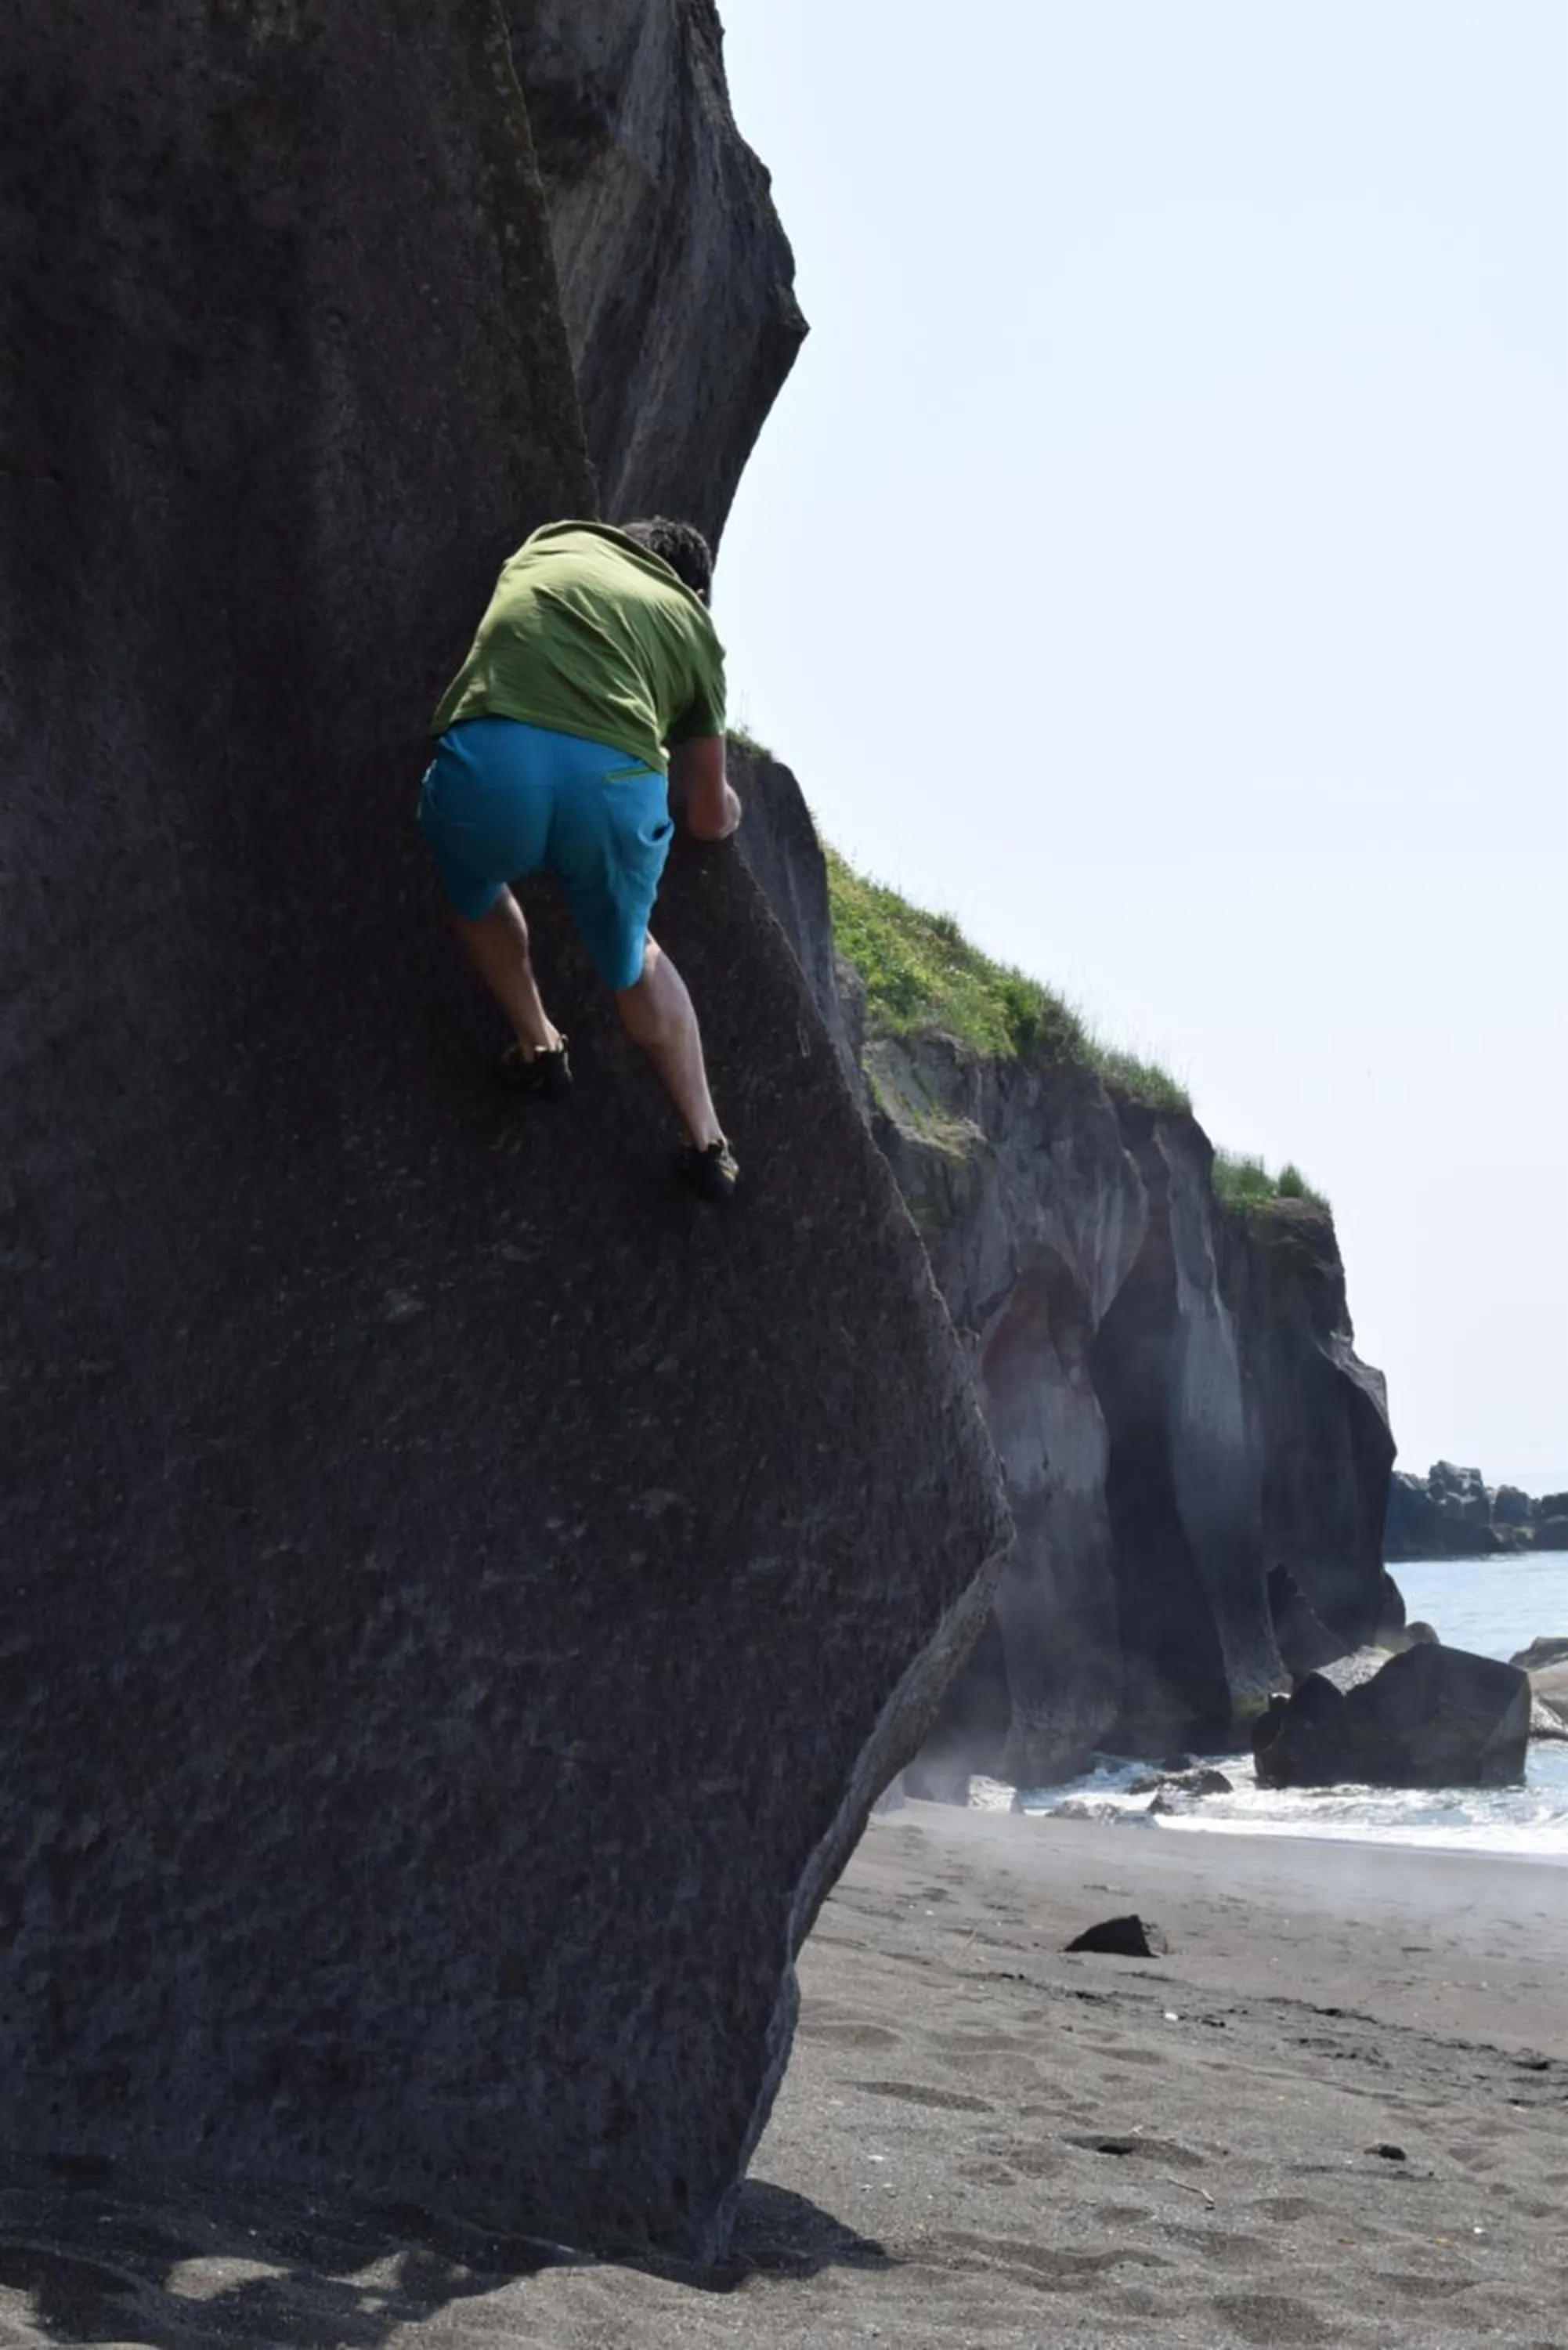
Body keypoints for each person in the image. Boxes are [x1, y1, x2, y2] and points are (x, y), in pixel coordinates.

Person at [418, 516, 742, 1202]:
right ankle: (707, 1142)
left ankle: (538, 1044)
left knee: (472, 887)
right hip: (614, 793)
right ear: (697, 590)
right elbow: (708, 818)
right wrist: (735, 808)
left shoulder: (551, 541)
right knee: (634, 960)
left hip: (495, 763)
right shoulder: (690, 622)